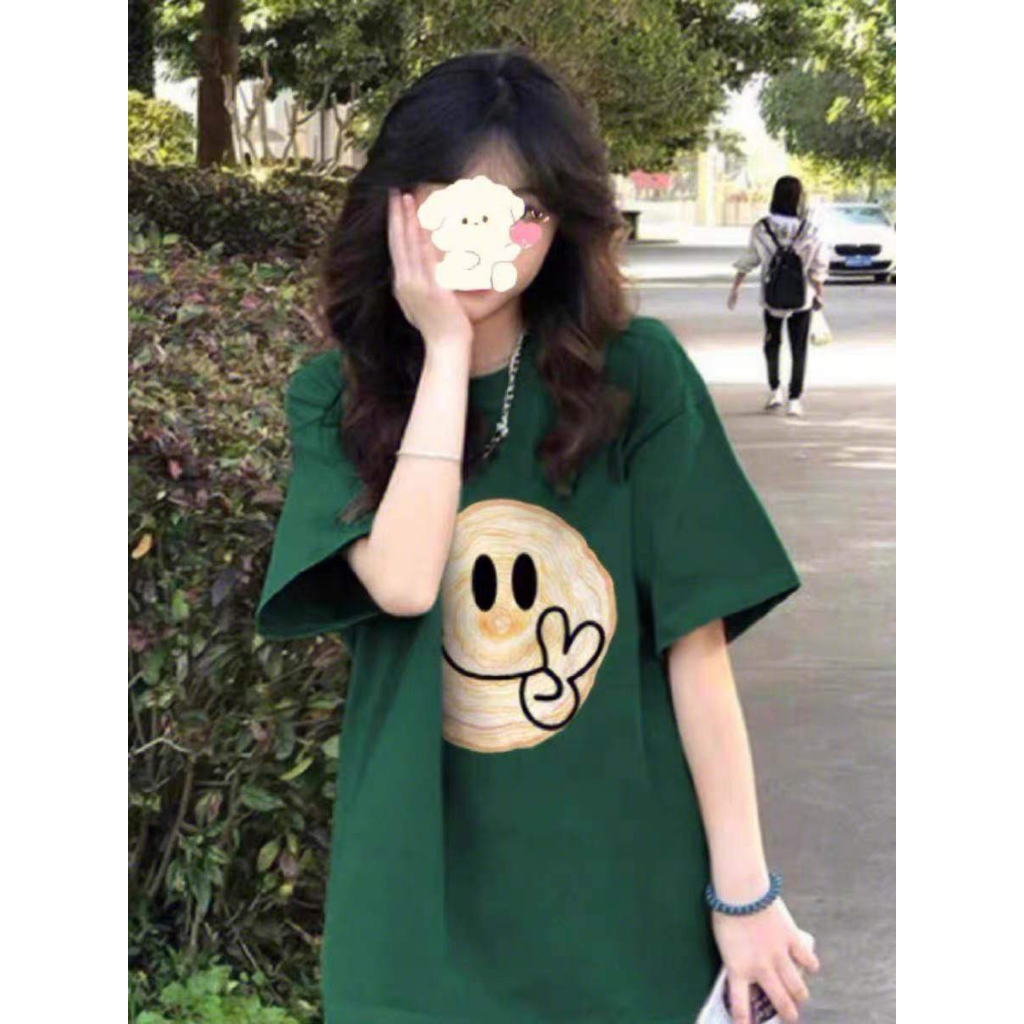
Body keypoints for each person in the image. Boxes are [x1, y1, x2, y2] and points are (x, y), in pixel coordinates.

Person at [256, 48, 820, 1024]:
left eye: (523, 209)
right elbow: (403, 581)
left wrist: (744, 893)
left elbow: (696, 653)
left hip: (622, 892)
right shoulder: (335, 398)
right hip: (421, 902)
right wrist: (444, 350)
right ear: (398, 209)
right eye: (457, 203)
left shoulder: (635, 379)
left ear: (561, 227)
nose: (490, 237)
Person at [727, 176, 828, 417]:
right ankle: (795, 399)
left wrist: (736, 286)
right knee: (799, 348)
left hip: (771, 295)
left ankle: (775, 390)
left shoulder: (762, 228)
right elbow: (818, 266)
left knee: (772, 343)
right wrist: (819, 293)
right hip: (802, 297)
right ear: (798, 198)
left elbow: (750, 258)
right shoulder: (809, 230)